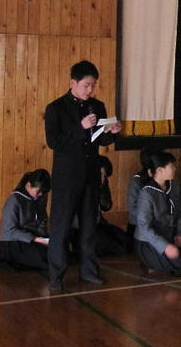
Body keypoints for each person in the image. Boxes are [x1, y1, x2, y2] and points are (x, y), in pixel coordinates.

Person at [45, 60, 122, 291]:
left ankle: (89, 271)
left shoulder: (97, 106)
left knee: (89, 227)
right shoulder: (56, 108)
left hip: (90, 176)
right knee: (61, 228)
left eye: (93, 85)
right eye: (86, 85)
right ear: (73, 83)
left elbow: (100, 139)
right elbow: (54, 142)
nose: (90, 90)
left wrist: (112, 133)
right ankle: (56, 277)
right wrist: (80, 127)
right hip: (66, 179)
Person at [134, 151, 181, 276]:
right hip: (149, 242)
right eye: (171, 166)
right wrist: (164, 246)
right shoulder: (147, 193)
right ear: (160, 170)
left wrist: (180, 234)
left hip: (169, 236)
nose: (175, 169)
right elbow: (144, 226)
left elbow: (180, 213)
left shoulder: (174, 187)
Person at [0, 169, 51, 271]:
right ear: (28, 185)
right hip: (14, 241)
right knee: (42, 261)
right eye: (38, 191)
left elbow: (42, 219)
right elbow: (10, 230)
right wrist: (35, 239)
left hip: (34, 237)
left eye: (43, 192)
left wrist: (43, 237)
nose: (40, 194)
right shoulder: (14, 199)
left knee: (56, 253)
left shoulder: (40, 197)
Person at [94, 156, 128, 257]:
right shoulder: (83, 185)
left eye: (104, 175)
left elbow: (107, 206)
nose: (102, 177)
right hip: (85, 229)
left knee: (126, 241)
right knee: (118, 249)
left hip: (100, 224)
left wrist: (101, 188)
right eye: (100, 174)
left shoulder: (103, 183)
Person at [126, 145, 158, 253]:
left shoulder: (162, 180)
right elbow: (133, 210)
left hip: (157, 225)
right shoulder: (137, 181)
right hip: (138, 228)